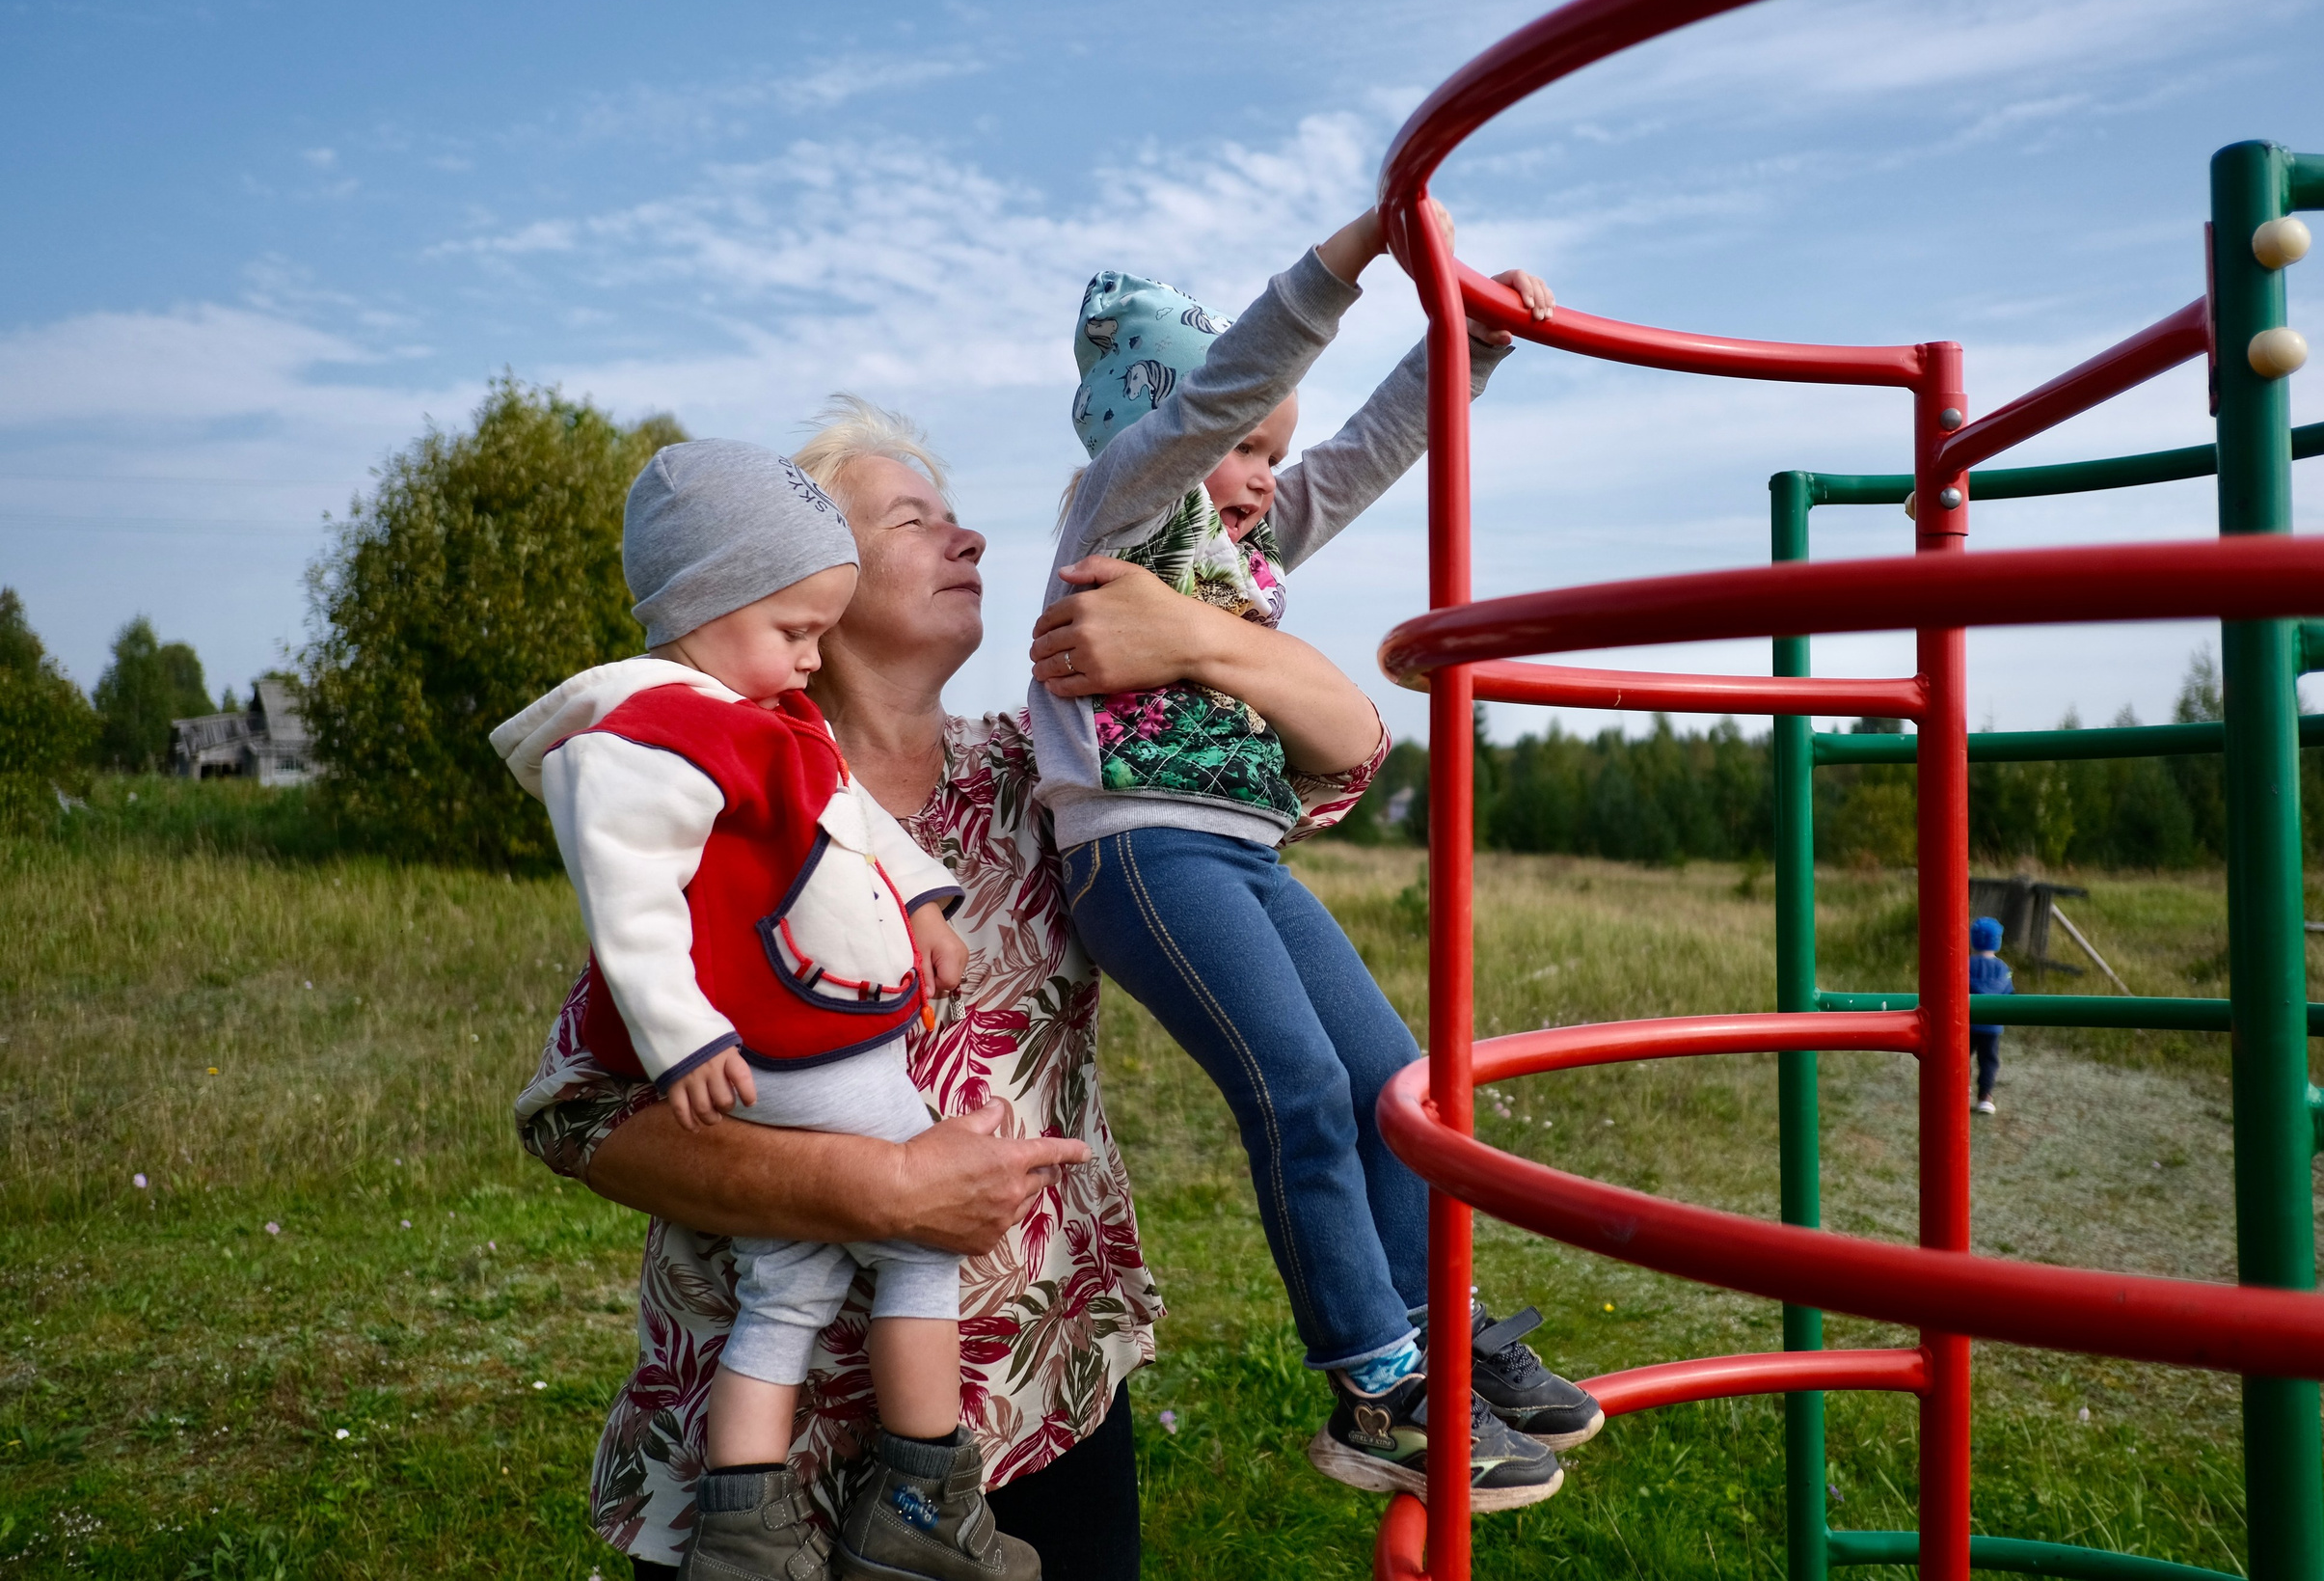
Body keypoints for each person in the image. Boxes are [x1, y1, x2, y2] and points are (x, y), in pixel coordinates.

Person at [513, 397, 1393, 1580]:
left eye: (960, 519)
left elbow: (1340, 756)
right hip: (763, 1457)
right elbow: (580, 1114)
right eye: (914, 520)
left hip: (1035, 1398)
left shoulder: (1047, 781)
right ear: (801, 575)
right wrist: (877, 1188)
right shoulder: (715, 794)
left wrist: (1196, 638)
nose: (970, 541)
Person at [1024, 204, 1600, 1513]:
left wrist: (1475, 347)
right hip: (1141, 849)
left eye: (1270, 455)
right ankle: (1375, 1385)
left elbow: (1373, 451)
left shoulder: (1245, 547)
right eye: (1240, 447)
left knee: (1394, 1079)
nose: (1260, 473)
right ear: (1162, 430)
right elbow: (1226, 388)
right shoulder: (1123, 503)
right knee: (1294, 1082)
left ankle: (1438, 1334)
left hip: (1247, 853)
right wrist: (1352, 258)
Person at [495, 437, 1036, 1581]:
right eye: (795, 630)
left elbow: (861, 825)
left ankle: (744, 1526)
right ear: (716, 601)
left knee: (785, 1286)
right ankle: (917, 1500)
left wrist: (926, 901)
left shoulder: (793, 732)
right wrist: (684, 1037)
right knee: (921, 1237)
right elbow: (626, 895)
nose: (805, 657)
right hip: (796, 1051)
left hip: (825, 1061)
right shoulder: (665, 729)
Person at [1970, 916, 2014, 1116]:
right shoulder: (2003, 968)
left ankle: (1960, 1091)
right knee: (1988, 1061)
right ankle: (1985, 1097)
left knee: (1960, 1058)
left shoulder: (1964, 964)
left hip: (1966, 1023)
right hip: (1992, 1026)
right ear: (1998, 940)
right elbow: (2010, 994)